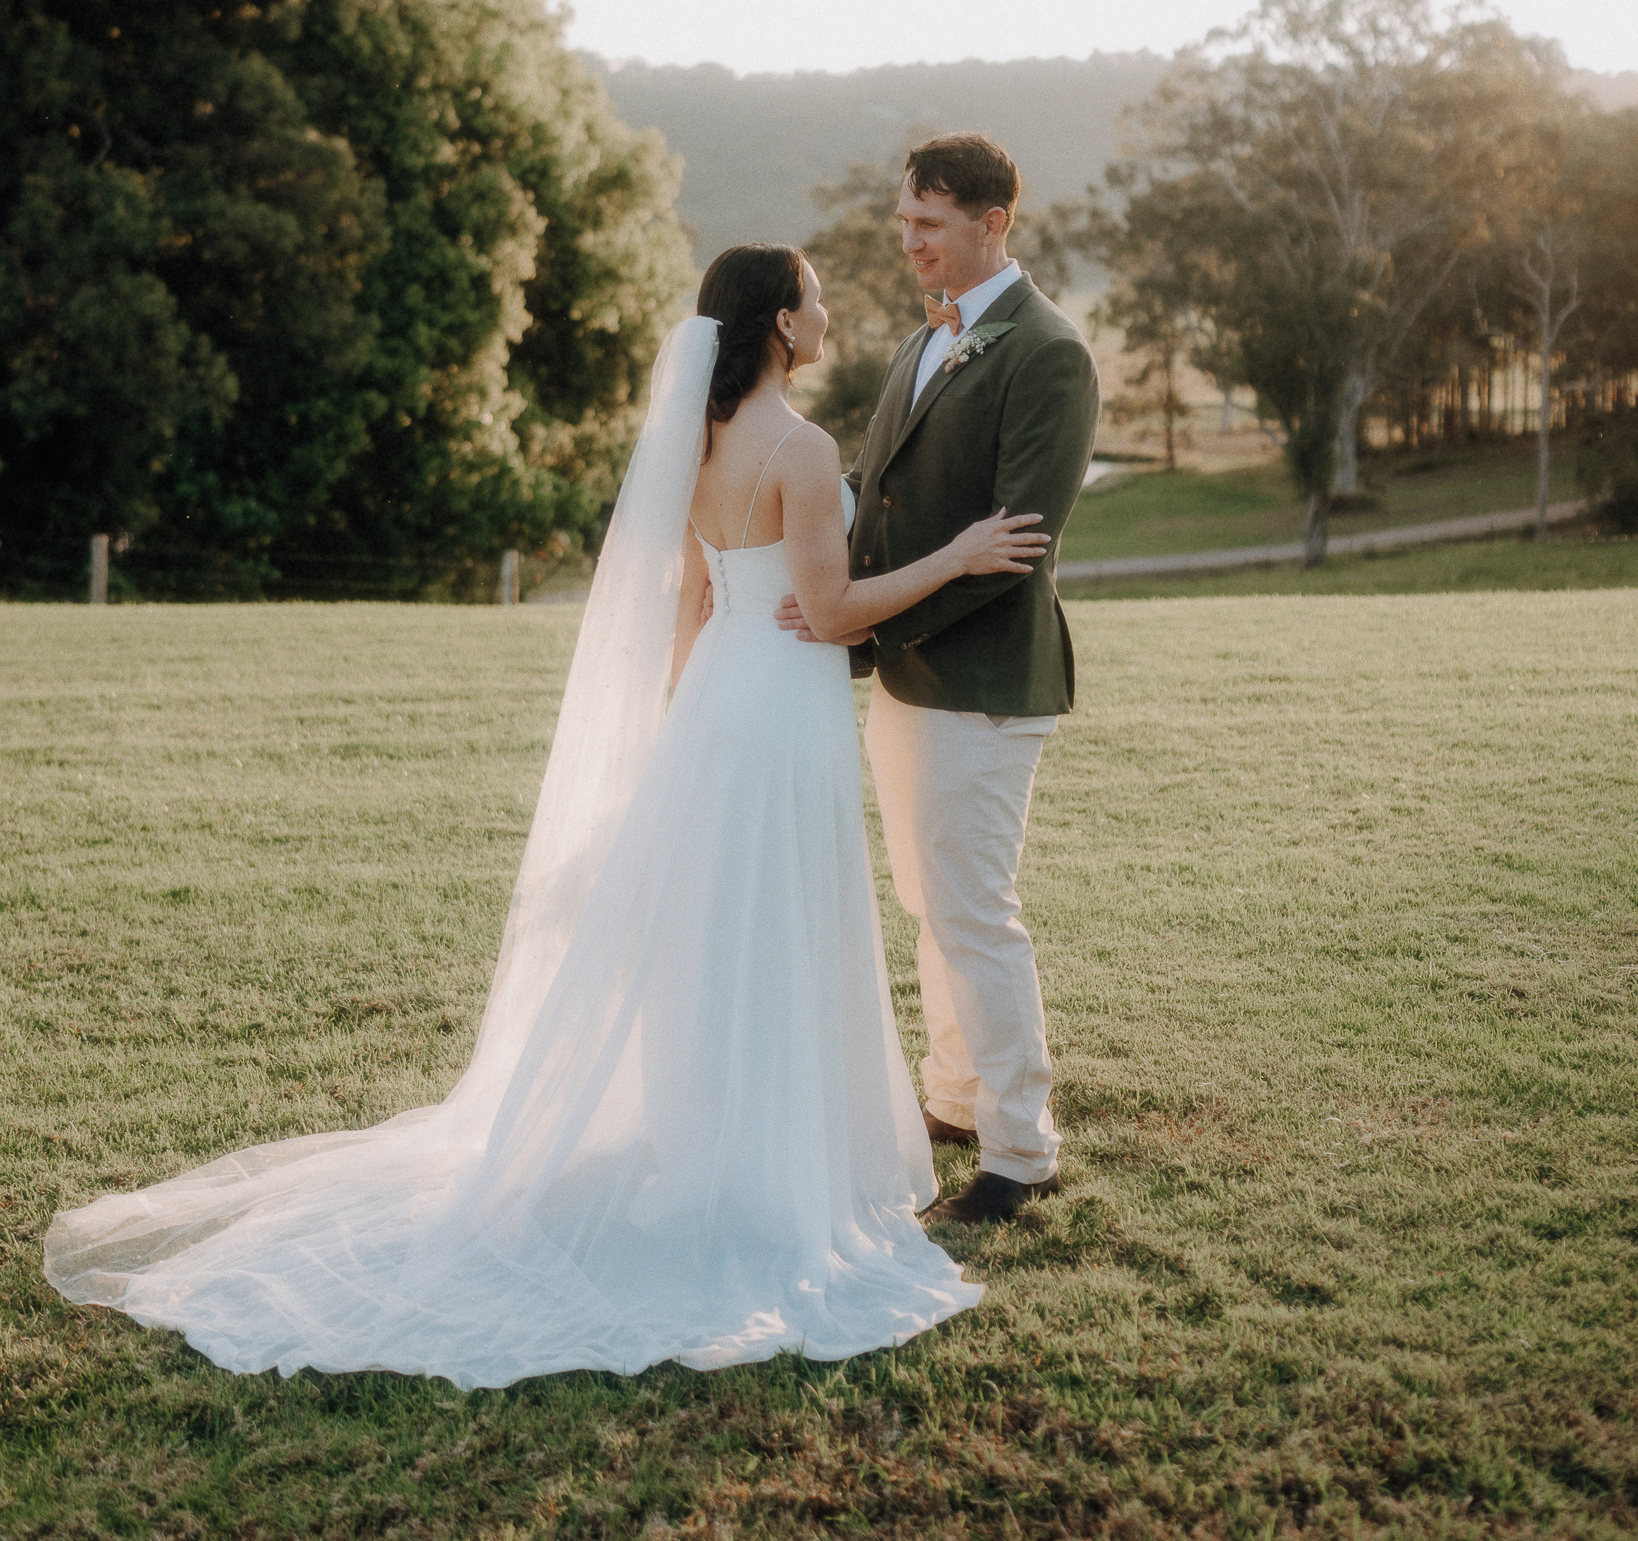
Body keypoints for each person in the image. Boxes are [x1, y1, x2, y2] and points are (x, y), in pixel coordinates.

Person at [43, 246, 1051, 1385]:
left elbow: (696, 598)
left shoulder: (705, 439)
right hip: (779, 717)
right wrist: (959, 553)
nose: (826, 311)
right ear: (781, 320)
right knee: (781, 928)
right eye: (816, 297)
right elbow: (825, 610)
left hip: (719, 703)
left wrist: (682, 724)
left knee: (719, 935)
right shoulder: (804, 448)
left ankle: (724, 1144)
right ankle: (775, 1166)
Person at [779, 134, 1101, 1226]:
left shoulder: (1046, 350)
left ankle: (1020, 1149)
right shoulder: (934, 338)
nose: (908, 242)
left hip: (984, 679)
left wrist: (863, 633)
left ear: (992, 223)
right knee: (931, 901)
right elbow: (875, 485)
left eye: (928, 224)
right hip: (911, 679)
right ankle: (955, 1099)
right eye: (904, 221)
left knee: (975, 910)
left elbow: (1014, 541)